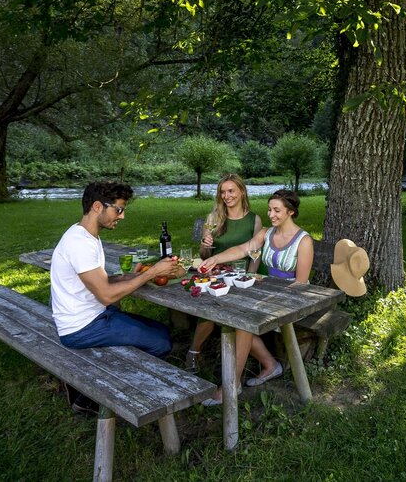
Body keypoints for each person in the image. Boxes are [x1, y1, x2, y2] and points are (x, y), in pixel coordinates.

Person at [50, 181, 182, 413]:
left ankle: (97, 386)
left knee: (161, 330)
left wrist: (129, 277)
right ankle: (97, 394)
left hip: (93, 315)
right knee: (161, 344)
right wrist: (151, 273)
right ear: (97, 206)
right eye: (118, 210)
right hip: (82, 327)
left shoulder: (86, 235)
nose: (122, 216)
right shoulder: (80, 244)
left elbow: (98, 282)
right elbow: (106, 296)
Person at [197, 189, 315, 405]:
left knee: (242, 323)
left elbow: (299, 285)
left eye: (277, 210)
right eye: (269, 210)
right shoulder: (267, 233)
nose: (271, 215)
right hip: (267, 294)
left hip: (293, 300)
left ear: (290, 212)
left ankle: (232, 385)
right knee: (232, 313)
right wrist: (215, 259)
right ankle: (270, 365)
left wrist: (267, 296)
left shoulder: (303, 241)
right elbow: (243, 249)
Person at [185, 173, 263, 373]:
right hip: (216, 273)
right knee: (210, 307)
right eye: (223, 192)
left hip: (240, 276)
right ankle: (194, 352)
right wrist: (205, 244)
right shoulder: (214, 218)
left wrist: (250, 277)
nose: (226, 196)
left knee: (238, 316)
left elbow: (255, 254)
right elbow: (204, 255)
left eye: (231, 191)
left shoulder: (254, 220)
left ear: (242, 191)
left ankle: (249, 364)